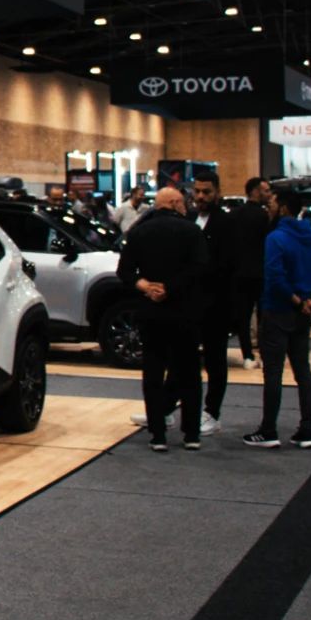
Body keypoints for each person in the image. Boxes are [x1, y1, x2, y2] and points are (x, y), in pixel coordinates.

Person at [117, 186, 207, 452]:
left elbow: (124, 271)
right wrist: (170, 288)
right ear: (176, 203)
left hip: (151, 312)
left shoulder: (139, 232)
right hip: (183, 311)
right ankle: (191, 433)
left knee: (153, 372)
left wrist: (146, 286)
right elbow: (200, 268)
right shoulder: (192, 231)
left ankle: (157, 434)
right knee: (189, 373)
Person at [243, 189, 311, 450]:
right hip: (303, 313)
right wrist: (310, 302)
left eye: (272, 202)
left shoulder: (276, 237)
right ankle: (307, 430)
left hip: (278, 310)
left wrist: (298, 302)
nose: (268, 206)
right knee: (303, 371)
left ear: (284, 208)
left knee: (273, 373)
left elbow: (275, 277)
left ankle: (269, 430)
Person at [191, 171, 239, 434]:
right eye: (197, 191)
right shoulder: (189, 219)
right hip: (188, 303)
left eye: (206, 192)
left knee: (215, 360)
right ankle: (166, 407)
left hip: (217, 304)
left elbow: (228, 266)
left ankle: (212, 412)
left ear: (217, 192)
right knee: (181, 358)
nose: (201, 196)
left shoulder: (227, 223)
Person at [230, 176, 273, 370]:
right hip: (260, 272)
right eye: (266, 191)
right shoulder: (264, 216)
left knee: (243, 317)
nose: (269, 194)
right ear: (255, 191)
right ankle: (265, 354)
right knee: (264, 316)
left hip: (238, 272)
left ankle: (247, 354)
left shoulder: (234, 214)